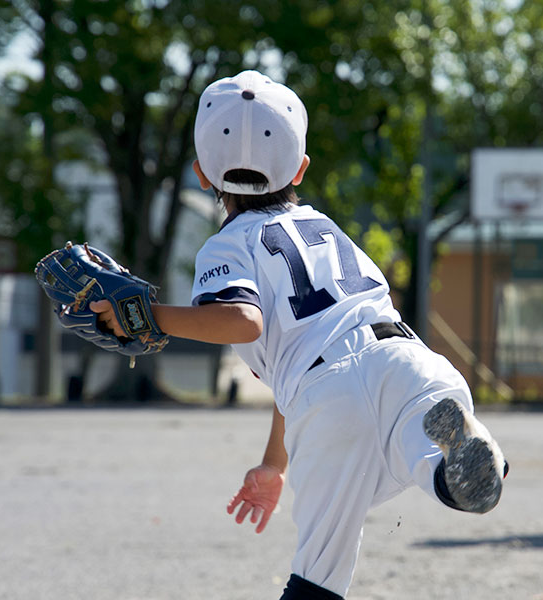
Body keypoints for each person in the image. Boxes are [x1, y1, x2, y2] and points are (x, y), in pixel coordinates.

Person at [91, 70, 507, 599]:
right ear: (301, 169)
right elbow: (309, 352)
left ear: (201, 174)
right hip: (406, 359)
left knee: (318, 577)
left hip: (326, 398)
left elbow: (245, 323)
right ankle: (460, 463)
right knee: (418, 456)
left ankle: (450, 463)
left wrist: (150, 315)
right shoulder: (325, 228)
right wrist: (273, 462)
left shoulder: (227, 245)